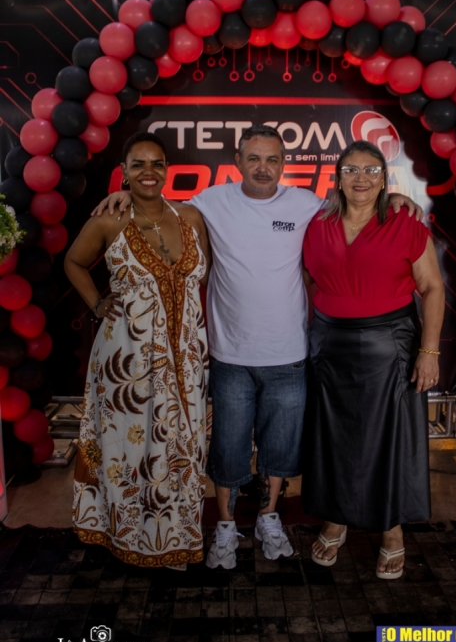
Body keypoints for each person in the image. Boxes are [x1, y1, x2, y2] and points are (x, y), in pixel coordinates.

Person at [94, 125, 420, 570]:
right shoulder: (210, 202)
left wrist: (396, 198)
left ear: (284, 164)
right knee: (228, 450)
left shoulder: (306, 205)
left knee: (279, 451)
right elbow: (161, 207)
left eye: (272, 160)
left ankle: (268, 518)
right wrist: (128, 195)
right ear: (238, 161)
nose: (263, 168)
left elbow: (358, 201)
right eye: (253, 159)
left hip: (289, 356)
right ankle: (226, 526)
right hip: (230, 357)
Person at [65, 132, 210, 569]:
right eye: (138, 164)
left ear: (167, 170)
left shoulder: (191, 216)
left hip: (186, 360)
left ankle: (175, 539)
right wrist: (97, 303)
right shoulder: (109, 220)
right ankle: (126, 537)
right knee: (129, 450)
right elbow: (73, 261)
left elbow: (202, 277)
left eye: (157, 163)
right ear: (124, 172)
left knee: (183, 447)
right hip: (125, 361)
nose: (149, 172)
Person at [301, 140, 445, 579]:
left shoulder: (405, 222)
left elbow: (432, 288)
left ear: (384, 179)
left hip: (390, 343)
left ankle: (391, 529)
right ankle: (337, 519)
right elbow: (310, 278)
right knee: (334, 436)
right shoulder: (316, 223)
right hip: (329, 344)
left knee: (389, 438)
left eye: (370, 170)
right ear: (338, 179)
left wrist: (429, 351)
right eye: (351, 170)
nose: (360, 178)